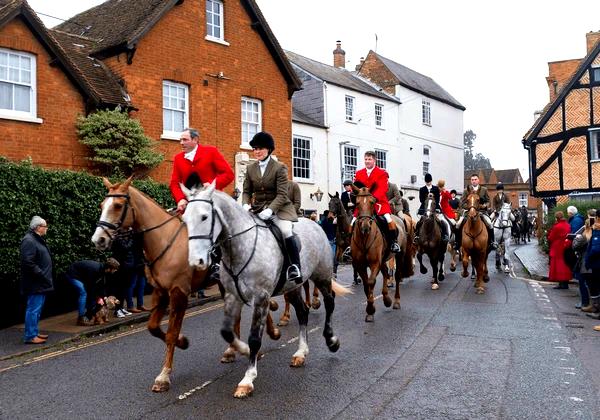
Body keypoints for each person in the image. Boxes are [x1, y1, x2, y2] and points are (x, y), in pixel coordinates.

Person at [170, 127, 234, 286]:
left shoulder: (210, 152)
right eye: (180, 140)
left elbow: (228, 174)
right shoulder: (178, 158)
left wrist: (212, 185)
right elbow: (174, 183)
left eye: (184, 140)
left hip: (211, 201)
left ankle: (218, 265)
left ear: (195, 140)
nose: (181, 143)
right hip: (191, 203)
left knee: (216, 230)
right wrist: (180, 199)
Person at [242, 131, 302, 283]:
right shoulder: (250, 168)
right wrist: (245, 204)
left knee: (286, 230)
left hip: (280, 209)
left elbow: (282, 194)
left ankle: (295, 266)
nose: (257, 152)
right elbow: (247, 191)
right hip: (257, 209)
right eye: (255, 149)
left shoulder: (279, 167)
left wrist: (270, 210)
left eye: (260, 148)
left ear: (268, 149)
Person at [353, 150, 400, 253]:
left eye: (369, 159)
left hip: (379, 202)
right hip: (363, 204)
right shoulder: (358, 173)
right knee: (352, 222)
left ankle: (393, 242)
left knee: (388, 219)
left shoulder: (382, 173)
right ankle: (349, 246)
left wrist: (374, 198)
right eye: (366, 159)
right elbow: (356, 187)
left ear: (374, 160)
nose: (367, 161)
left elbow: (383, 188)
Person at [20, 216, 53, 344]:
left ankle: (34, 332)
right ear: (39, 227)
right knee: (33, 309)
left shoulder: (35, 239)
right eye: (45, 226)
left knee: (36, 310)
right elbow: (28, 262)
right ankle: (30, 336)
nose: (46, 229)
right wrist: (42, 274)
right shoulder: (29, 240)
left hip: (41, 282)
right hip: (35, 282)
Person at [66, 258, 120, 325]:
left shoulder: (103, 270)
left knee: (91, 296)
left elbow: (101, 285)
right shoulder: (95, 270)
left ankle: (88, 315)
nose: (116, 270)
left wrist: (104, 297)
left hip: (82, 276)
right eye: (115, 269)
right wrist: (98, 298)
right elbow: (90, 287)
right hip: (73, 274)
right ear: (110, 268)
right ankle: (81, 318)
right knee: (83, 293)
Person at [455, 174, 496, 252]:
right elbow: (461, 203)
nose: (474, 181)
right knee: (458, 224)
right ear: (471, 181)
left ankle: (492, 242)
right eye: (472, 180)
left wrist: (484, 206)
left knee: (490, 224)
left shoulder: (484, 189)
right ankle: (457, 242)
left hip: (481, 212)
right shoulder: (466, 190)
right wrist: (471, 207)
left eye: (475, 179)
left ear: (478, 180)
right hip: (469, 212)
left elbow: (488, 202)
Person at [573, 210, 596, 315]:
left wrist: (576, 238)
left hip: (586, 262)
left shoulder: (585, 235)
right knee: (592, 285)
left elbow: (575, 245)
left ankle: (586, 303)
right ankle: (592, 305)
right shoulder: (595, 233)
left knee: (583, 283)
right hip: (593, 263)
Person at [414, 173, 447, 242]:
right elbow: (421, 200)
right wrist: (427, 197)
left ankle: (444, 235)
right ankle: (416, 235)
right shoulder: (422, 189)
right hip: (425, 208)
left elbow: (437, 199)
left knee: (442, 221)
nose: (428, 183)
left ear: (431, 181)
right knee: (419, 222)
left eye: (429, 182)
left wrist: (433, 198)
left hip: (435, 207)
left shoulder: (435, 188)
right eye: (427, 182)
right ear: (425, 181)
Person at [547, 211, 572, 289]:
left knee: (558, 265)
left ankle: (561, 283)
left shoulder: (557, 226)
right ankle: (565, 283)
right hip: (565, 246)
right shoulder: (568, 225)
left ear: (557, 218)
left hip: (557, 247)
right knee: (565, 265)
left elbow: (551, 237)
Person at [126, 233, 149, 313]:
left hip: (141, 265)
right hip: (134, 265)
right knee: (132, 285)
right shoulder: (132, 240)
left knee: (142, 285)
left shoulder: (142, 243)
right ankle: (130, 306)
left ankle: (140, 304)